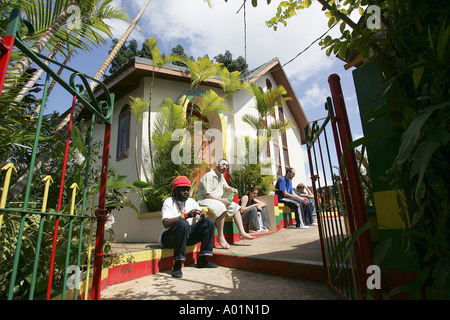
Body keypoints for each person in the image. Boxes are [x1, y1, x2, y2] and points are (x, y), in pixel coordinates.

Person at [159, 176, 217, 278]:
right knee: (183, 223)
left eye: (187, 190)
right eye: (183, 190)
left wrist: (204, 215)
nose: (186, 192)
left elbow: (203, 220)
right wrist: (185, 216)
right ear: (176, 191)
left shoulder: (192, 202)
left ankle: (203, 260)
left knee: (209, 222)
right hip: (169, 238)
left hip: (185, 236)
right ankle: (177, 265)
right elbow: (166, 223)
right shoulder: (169, 201)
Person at [197, 159, 255, 249]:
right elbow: (207, 194)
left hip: (215, 200)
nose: (225, 167)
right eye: (223, 164)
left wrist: (232, 189)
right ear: (217, 164)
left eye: (227, 166)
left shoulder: (221, 176)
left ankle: (242, 232)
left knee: (235, 206)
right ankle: (220, 237)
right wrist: (222, 200)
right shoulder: (208, 176)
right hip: (205, 199)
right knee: (221, 206)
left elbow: (226, 187)